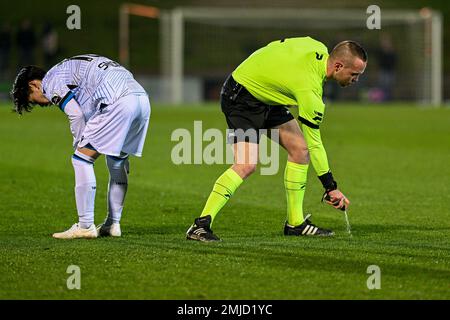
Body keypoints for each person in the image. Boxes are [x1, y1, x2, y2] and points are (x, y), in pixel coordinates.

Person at [186, 37, 367, 241]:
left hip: (269, 97)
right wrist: (330, 188)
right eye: (354, 74)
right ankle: (199, 226)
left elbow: (277, 45)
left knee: (300, 149)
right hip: (241, 97)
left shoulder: (316, 46)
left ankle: (295, 223)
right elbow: (316, 144)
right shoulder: (309, 92)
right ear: (338, 65)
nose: (356, 80)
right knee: (246, 164)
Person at [11, 54, 151, 239]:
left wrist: (80, 143)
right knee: (117, 163)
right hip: (141, 100)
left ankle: (85, 226)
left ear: (33, 85)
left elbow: (75, 114)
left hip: (117, 101)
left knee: (81, 160)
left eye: (33, 99)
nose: (39, 103)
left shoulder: (50, 80)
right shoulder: (68, 69)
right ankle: (112, 224)